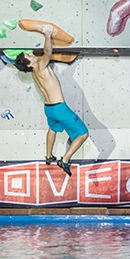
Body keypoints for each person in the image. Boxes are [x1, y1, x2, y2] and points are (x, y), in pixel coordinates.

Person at [14, 27, 88, 176]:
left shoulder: (35, 73)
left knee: (53, 129)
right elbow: (48, 52)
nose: (31, 54)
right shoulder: (40, 66)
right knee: (83, 134)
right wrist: (47, 35)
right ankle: (65, 160)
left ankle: (48, 156)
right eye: (28, 55)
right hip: (60, 108)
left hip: (49, 109)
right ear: (29, 64)